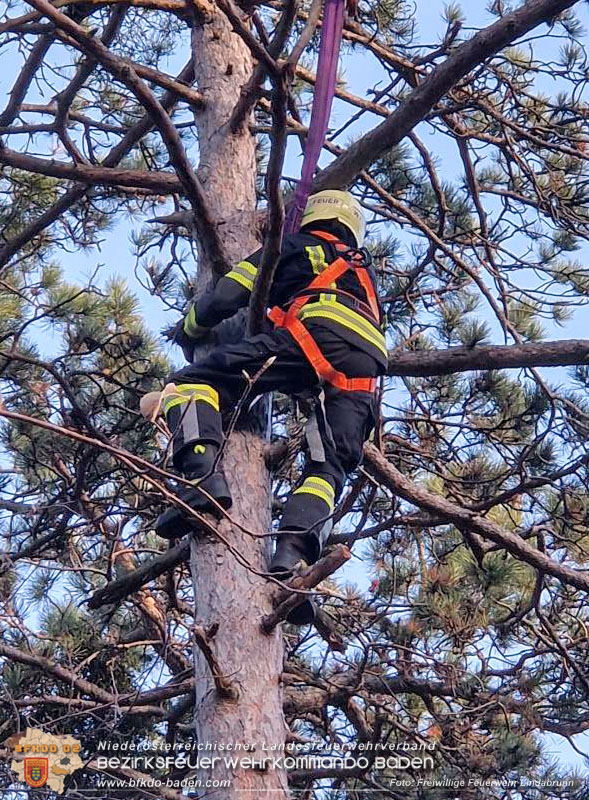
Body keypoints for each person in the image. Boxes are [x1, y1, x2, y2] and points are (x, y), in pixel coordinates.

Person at [152, 190, 387, 621]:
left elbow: (229, 292)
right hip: (366, 369)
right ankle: (292, 559)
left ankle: (202, 477)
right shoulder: (364, 275)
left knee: (189, 386)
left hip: (317, 334)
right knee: (327, 467)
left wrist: (189, 329)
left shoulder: (299, 246)